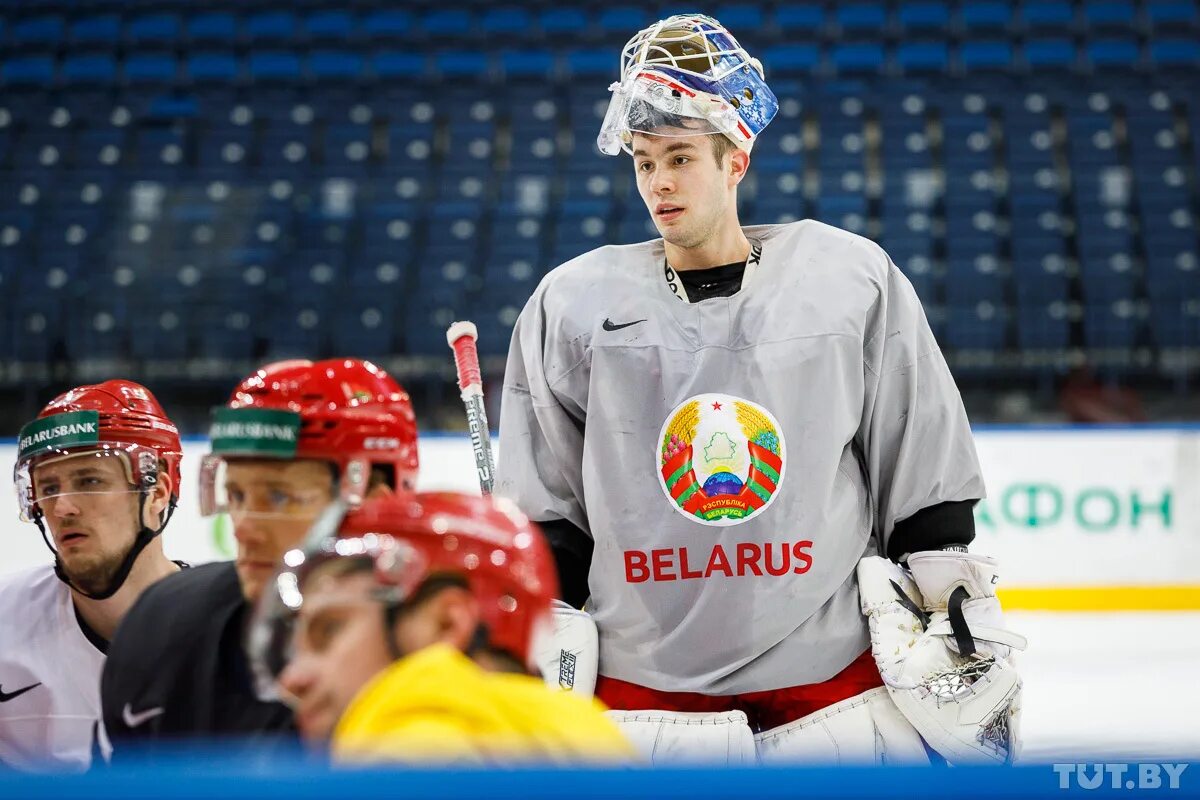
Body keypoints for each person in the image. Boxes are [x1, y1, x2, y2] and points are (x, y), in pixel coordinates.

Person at [498, 14, 1024, 764]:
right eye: (644, 162)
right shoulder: (572, 303)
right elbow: (551, 507)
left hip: (826, 693)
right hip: (642, 699)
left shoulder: (850, 280)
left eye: (680, 157)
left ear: (736, 158)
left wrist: (951, 597)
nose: (660, 182)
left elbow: (921, 472)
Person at [100, 359, 419, 758]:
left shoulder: (432, 650)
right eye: (235, 496)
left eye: (279, 497)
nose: (242, 528)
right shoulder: (158, 627)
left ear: (376, 507)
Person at [248, 491, 634, 765]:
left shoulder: (404, 752)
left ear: (447, 624)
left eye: (328, 631)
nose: (292, 679)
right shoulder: (596, 745)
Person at [0, 381, 183, 771]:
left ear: (158, 492)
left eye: (90, 481)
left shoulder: (241, 626)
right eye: (48, 487)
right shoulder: (4, 622)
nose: (62, 507)